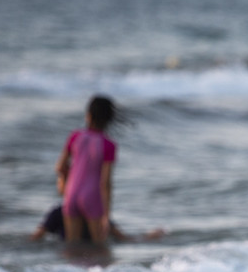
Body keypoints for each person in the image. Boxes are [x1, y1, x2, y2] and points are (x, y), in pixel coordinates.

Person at [55, 95, 120, 245]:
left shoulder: (75, 136)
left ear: (88, 115)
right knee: (100, 247)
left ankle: (70, 270)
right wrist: (106, 215)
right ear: (109, 119)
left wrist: (64, 185)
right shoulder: (108, 145)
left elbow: (60, 166)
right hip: (92, 196)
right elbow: (105, 182)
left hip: (71, 194)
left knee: (72, 246)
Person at [29, 204, 163, 243]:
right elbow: (124, 238)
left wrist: (150, 236)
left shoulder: (59, 212)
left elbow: (35, 238)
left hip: (69, 256)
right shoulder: (96, 212)